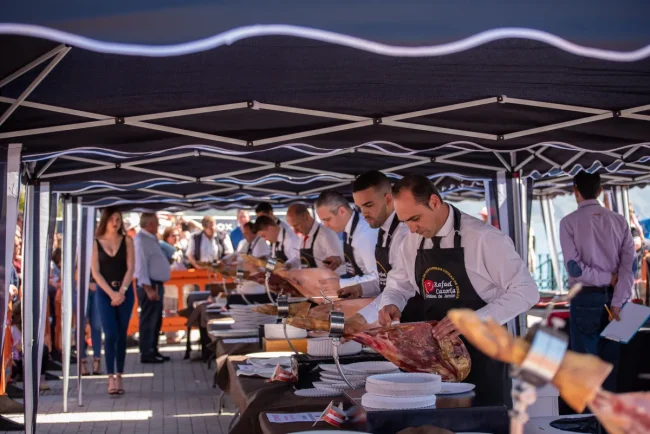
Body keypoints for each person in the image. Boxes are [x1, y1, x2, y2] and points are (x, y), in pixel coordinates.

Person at [376, 175, 540, 407]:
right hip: (438, 360)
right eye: (405, 222)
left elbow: (527, 291)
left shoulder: (485, 238)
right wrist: (392, 302)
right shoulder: (412, 242)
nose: (412, 229)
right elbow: (398, 284)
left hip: (486, 356)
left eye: (415, 218)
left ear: (434, 201)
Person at [559, 171, 636, 392]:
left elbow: (574, 268)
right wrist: (618, 300)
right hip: (616, 300)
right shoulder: (619, 221)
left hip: (584, 299)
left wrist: (606, 278)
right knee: (610, 366)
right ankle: (607, 423)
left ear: (575, 192)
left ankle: (590, 422)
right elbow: (629, 266)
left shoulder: (568, 222)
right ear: (600, 191)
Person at [339, 172, 410, 326]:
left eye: (368, 205)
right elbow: (386, 280)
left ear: (388, 199)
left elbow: (400, 287)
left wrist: (360, 320)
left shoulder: (404, 234)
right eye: (360, 207)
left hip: (407, 319)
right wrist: (360, 289)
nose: (364, 213)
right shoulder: (382, 232)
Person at [91, 207, 135, 396]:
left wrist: (122, 291)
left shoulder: (127, 240)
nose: (115, 223)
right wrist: (112, 294)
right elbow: (95, 272)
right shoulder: (96, 242)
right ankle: (110, 376)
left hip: (125, 291)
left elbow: (131, 268)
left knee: (121, 334)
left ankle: (119, 375)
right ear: (105, 221)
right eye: (111, 219)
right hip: (104, 293)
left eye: (118, 219)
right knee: (109, 334)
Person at [315, 190, 379, 296]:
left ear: (342, 211)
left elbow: (378, 278)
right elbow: (359, 257)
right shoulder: (348, 229)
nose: (325, 225)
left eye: (327, 219)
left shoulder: (365, 235)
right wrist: (340, 259)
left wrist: (341, 284)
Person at [134, 213, 172, 364]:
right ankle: (147, 352)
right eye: (156, 223)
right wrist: (148, 288)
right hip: (150, 284)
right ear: (149, 224)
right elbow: (140, 266)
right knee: (149, 319)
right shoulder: (141, 240)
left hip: (155, 283)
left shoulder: (150, 238)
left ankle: (153, 349)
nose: (158, 226)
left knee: (156, 320)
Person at [285, 204, 345, 272]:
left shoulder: (326, 235)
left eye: (296, 225)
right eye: (293, 227)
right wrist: (289, 264)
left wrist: (336, 261)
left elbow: (340, 261)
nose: (296, 231)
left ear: (305, 216)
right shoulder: (303, 236)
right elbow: (298, 258)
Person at [80, 277, 103, 376]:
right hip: (79, 287)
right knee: (81, 326)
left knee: (97, 326)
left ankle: (97, 360)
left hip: (97, 287)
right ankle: (82, 361)